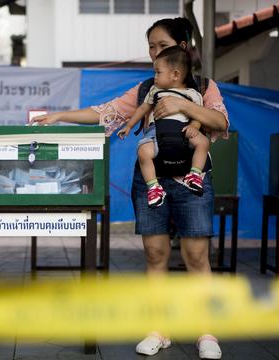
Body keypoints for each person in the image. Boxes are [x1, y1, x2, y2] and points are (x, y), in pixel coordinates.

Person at [31, 17, 228, 360]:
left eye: (160, 46)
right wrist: (58, 116)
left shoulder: (206, 87)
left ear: (182, 47)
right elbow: (103, 112)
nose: (153, 53)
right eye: (150, 47)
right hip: (151, 179)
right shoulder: (145, 89)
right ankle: (158, 329)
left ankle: (206, 332)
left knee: (196, 256)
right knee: (155, 255)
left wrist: (183, 105)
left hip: (192, 180)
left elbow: (221, 122)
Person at [117, 46, 209, 208]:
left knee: (203, 143)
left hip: (183, 131)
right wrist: (129, 126)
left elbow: (198, 116)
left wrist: (194, 126)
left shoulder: (193, 94)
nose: (155, 77)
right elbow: (143, 108)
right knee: (143, 151)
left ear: (175, 75)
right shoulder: (155, 91)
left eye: (158, 72)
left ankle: (194, 175)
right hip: (156, 132)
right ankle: (153, 187)